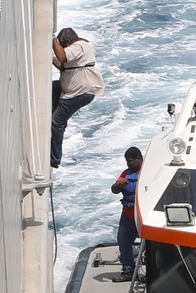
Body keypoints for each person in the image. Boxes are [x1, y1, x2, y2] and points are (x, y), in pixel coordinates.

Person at [51, 28, 103, 167]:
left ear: (67, 42)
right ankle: (58, 125)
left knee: (56, 122)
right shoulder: (76, 51)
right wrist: (50, 58)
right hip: (71, 91)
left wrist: (52, 39)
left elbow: (62, 57)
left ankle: (54, 159)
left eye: (62, 46)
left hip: (80, 92)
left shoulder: (79, 46)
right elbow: (63, 67)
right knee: (51, 89)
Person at [111, 147, 143, 278]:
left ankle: (153, 272)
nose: (128, 164)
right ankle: (128, 269)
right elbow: (114, 189)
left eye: (130, 161)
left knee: (153, 245)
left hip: (143, 217)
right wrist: (119, 185)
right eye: (126, 161)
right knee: (123, 242)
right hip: (128, 216)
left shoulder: (148, 172)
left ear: (138, 159)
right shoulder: (125, 173)